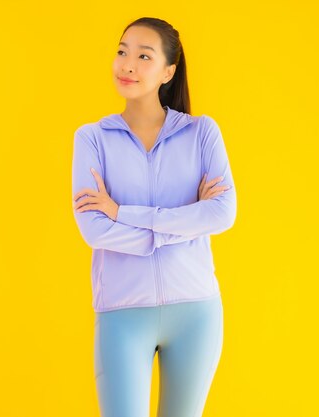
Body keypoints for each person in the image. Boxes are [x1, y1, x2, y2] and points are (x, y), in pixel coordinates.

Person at [71, 17, 237, 417]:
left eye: (144, 56)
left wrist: (123, 213)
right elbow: (95, 230)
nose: (127, 64)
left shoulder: (202, 133)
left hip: (196, 311)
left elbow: (223, 213)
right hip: (122, 314)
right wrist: (182, 224)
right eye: (122, 51)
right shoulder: (92, 138)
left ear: (168, 71)